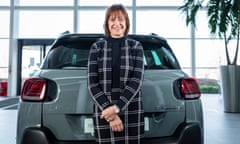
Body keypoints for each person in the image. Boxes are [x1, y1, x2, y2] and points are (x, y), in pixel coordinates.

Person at [87, 3, 145, 144]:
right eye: (112, 20)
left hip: (131, 107)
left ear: (126, 23)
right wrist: (110, 112)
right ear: (107, 23)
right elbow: (92, 84)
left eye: (121, 20)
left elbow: (136, 81)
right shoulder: (97, 47)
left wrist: (117, 108)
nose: (117, 24)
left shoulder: (136, 46)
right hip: (104, 109)